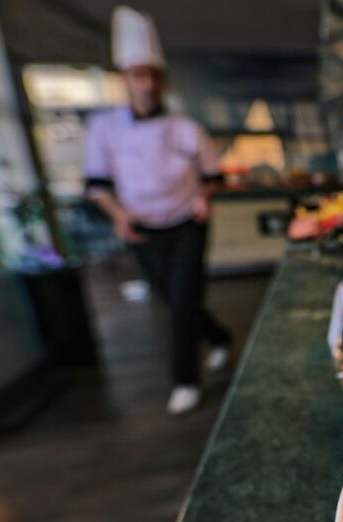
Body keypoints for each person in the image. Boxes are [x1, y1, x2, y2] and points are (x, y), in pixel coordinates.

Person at [85, 6, 231, 416]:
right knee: (173, 300)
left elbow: (212, 174)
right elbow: (97, 185)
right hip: (143, 229)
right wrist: (118, 215)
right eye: (137, 75)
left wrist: (204, 196)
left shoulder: (185, 128)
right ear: (125, 79)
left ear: (161, 80)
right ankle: (219, 337)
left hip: (187, 223)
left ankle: (185, 379)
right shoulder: (105, 129)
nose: (146, 84)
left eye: (152, 75)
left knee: (184, 299)